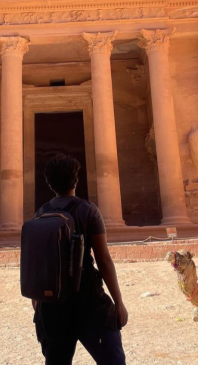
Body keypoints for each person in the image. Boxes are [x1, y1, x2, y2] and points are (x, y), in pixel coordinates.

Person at [31, 153, 127, 365]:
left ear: (49, 183)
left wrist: (37, 301)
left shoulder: (40, 214)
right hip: (87, 299)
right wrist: (118, 302)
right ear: (76, 179)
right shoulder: (88, 211)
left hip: (52, 303)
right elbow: (103, 260)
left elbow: (36, 260)